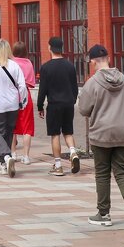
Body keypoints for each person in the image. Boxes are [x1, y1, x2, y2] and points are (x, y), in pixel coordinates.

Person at [78, 44, 124, 232]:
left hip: (102, 133)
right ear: (108, 58)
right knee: (122, 171)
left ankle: (103, 214)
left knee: (103, 173)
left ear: (93, 61)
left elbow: (83, 109)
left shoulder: (93, 83)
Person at [0, 39, 27, 177]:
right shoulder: (15, 65)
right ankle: (3, 163)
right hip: (12, 104)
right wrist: (23, 101)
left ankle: (6, 157)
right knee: (8, 132)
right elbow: (22, 85)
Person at [37, 36, 81, 176]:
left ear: (50, 47)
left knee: (55, 134)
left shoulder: (46, 67)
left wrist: (39, 106)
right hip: (68, 103)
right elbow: (75, 87)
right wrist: (73, 100)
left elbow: (42, 89)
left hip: (54, 105)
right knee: (68, 131)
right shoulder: (70, 66)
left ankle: (58, 165)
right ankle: (73, 152)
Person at [12, 41, 37, 164]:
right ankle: (26, 156)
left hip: (12, 95)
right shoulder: (28, 63)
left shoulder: (11, 63)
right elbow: (32, 83)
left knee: (12, 126)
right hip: (26, 96)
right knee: (27, 127)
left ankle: (13, 153)